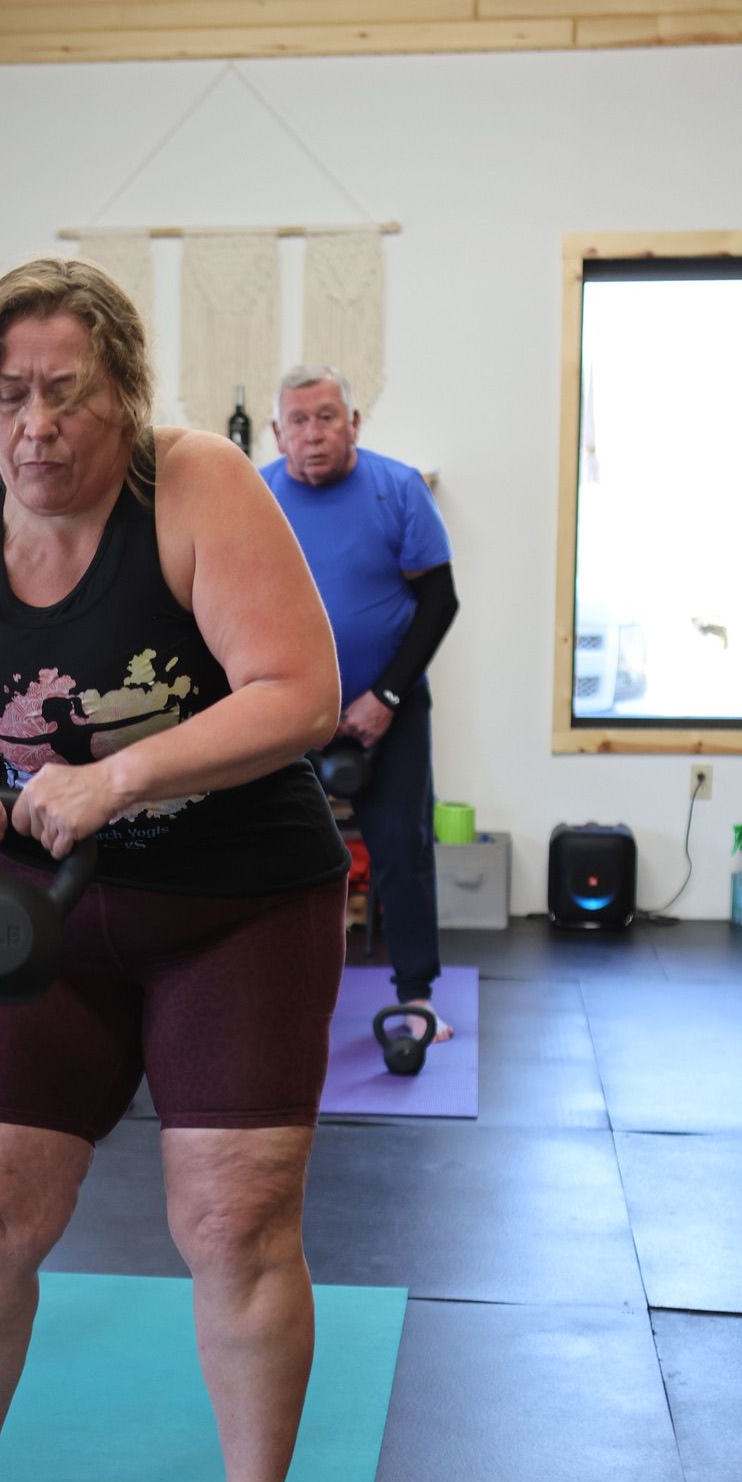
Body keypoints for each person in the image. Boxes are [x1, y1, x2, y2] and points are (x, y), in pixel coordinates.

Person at [0, 257, 348, 1482]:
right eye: (11, 395)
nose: (38, 424)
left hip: (240, 903)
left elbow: (304, 691)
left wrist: (118, 778)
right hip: (55, 925)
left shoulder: (195, 485)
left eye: (67, 393)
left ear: (127, 395)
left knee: (236, 1218)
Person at [265, 367, 460, 1039]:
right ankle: (270, 996)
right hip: (288, 714)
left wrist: (386, 696)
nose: (314, 433)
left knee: (401, 850)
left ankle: (417, 998)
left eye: (328, 417)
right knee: (270, 854)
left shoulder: (397, 488)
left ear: (354, 423)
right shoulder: (256, 498)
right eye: (299, 420)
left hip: (390, 710)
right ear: (276, 432)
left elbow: (440, 601)